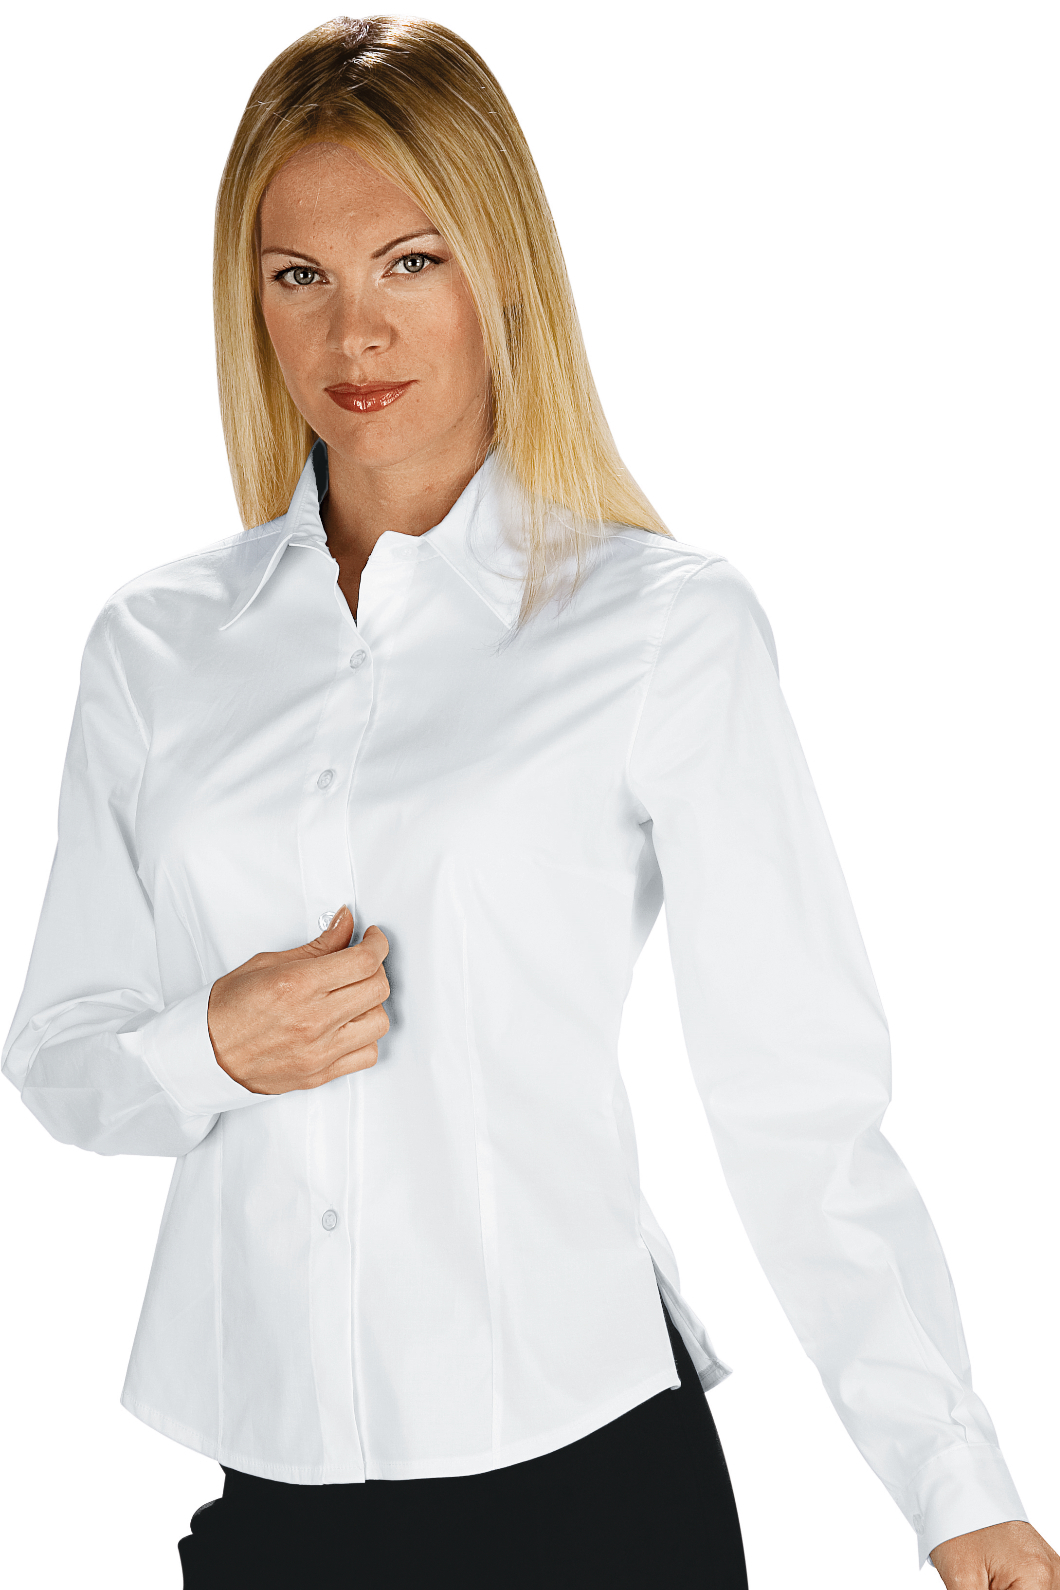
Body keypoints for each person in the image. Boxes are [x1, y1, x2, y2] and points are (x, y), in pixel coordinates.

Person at [2, 14, 1056, 1588]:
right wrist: (214, 1042)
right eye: (300, 275)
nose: (355, 330)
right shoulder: (155, 648)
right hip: (275, 1485)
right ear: (249, 298)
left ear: (501, 272)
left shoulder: (662, 629)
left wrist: (954, 1480)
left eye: (410, 262)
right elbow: (62, 1054)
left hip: (585, 1483)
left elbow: (796, 1093)